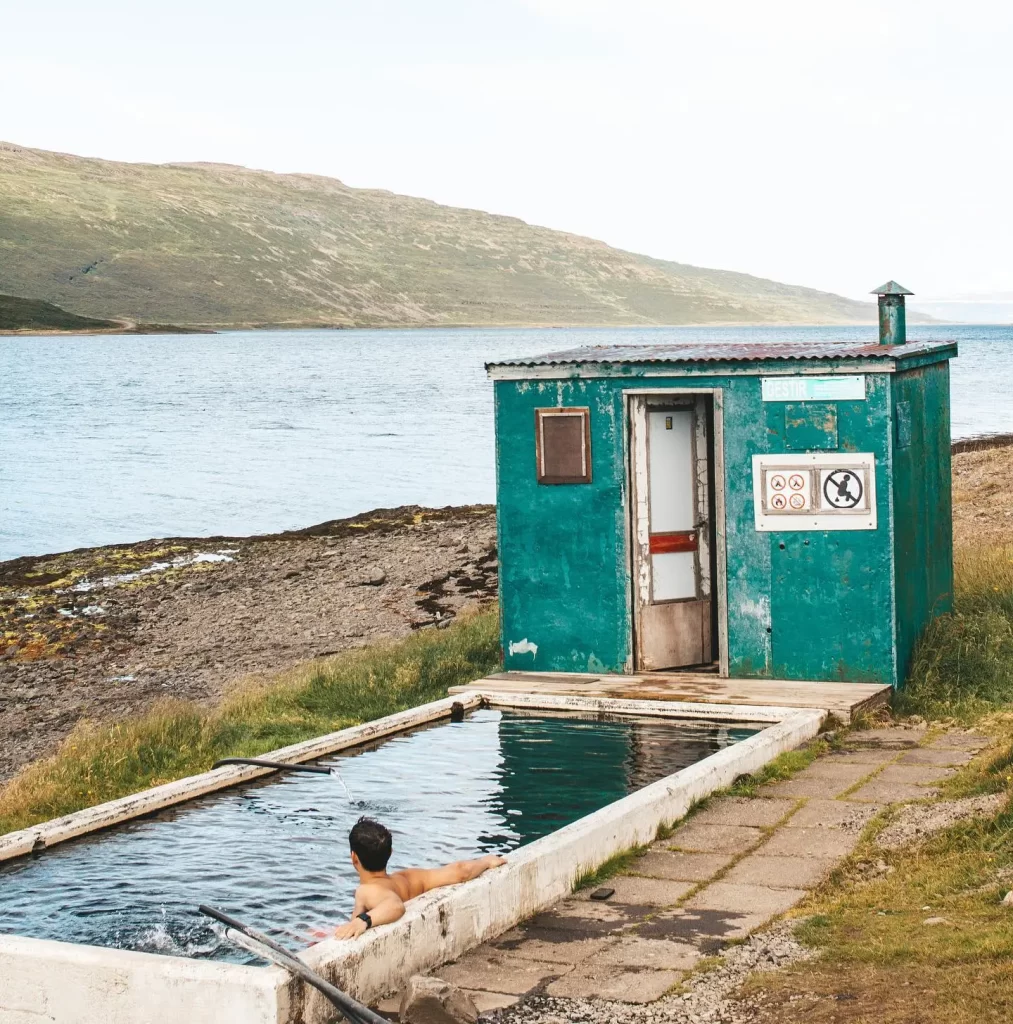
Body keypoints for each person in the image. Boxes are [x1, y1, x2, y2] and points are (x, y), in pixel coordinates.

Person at [331, 816, 506, 939]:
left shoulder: (366, 891)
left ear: (354, 858)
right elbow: (461, 871)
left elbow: (395, 906)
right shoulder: (409, 877)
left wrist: (363, 921)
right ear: (390, 853)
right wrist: (485, 862)